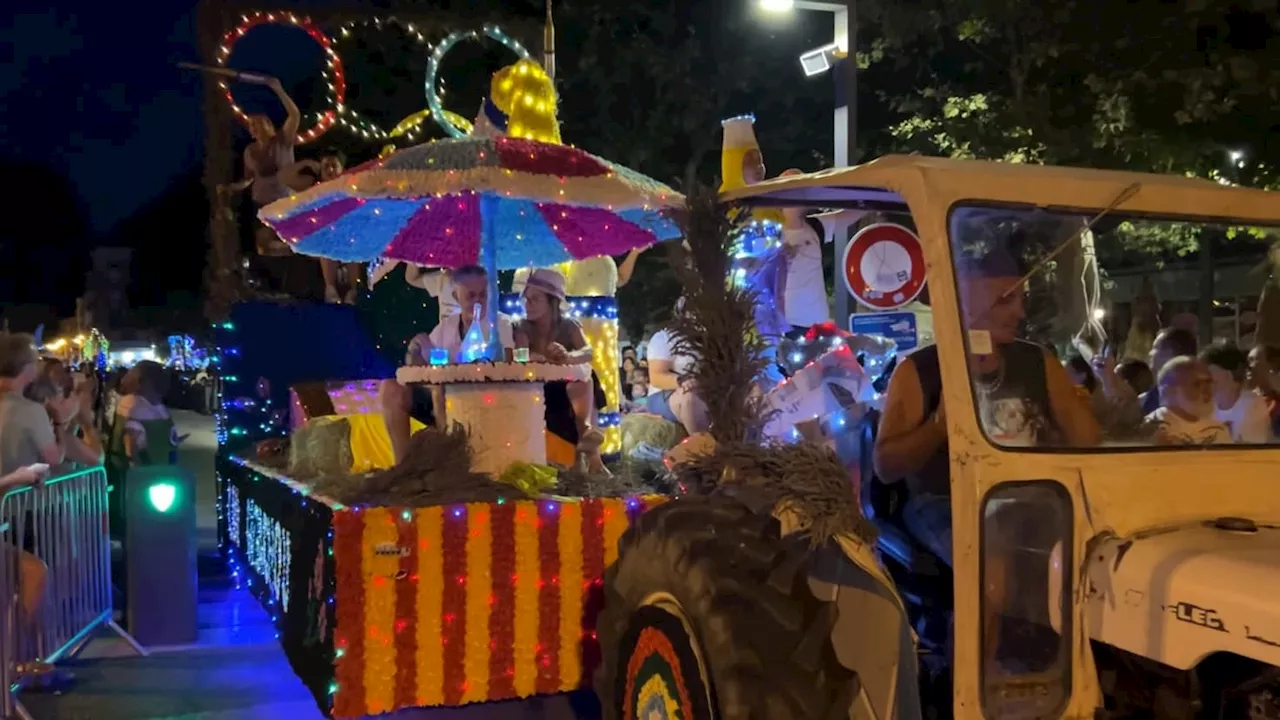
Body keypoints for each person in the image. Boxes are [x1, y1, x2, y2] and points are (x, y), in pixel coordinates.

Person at [873, 252, 1099, 567]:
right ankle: (974, 618)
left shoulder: (1040, 363)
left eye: (1023, 299)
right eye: (1006, 299)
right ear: (967, 302)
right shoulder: (919, 370)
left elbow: (1087, 442)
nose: (1020, 312)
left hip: (1032, 496)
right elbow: (885, 467)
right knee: (990, 560)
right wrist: (937, 428)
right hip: (945, 501)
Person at [378, 266, 515, 464]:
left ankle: (448, 464)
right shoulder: (446, 327)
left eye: (482, 295)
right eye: (471, 295)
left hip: (482, 400)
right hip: (442, 399)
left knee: (439, 388)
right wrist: (414, 350)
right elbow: (418, 368)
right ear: (455, 296)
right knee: (391, 388)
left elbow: (506, 367)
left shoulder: (500, 324)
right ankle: (403, 465)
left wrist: (440, 366)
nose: (478, 301)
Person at [513, 268, 606, 470]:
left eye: (535, 299)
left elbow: (588, 351)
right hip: (542, 385)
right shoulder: (522, 327)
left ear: (552, 302)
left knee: (585, 377)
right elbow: (521, 355)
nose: (528, 304)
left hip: (570, 382)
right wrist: (544, 358)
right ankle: (589, 443)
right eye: (526, 299)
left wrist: (567, 357)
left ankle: (587, 438)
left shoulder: (569, 325)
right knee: (583, 380)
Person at [0, 335, 80, 474]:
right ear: (27, 367)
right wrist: (59, 424)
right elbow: (55, 458)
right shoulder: (31, 411)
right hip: (21, 493)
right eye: (35, 362)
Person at [644, 298, 711, 435]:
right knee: (689, 399)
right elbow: (657, 376)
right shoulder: (664, 338)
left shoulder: (710, 339)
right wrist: (682, 381)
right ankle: (701, 445)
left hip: (705, 389)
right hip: (666, 393)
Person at [1142, 357, 1230, 445]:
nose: (1207, 391)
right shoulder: (1153, 428)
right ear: (1170, 391)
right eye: (1197, 384)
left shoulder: (1218, 431)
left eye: (1208, 382)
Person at [1201, 343, 1273, 443]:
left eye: (1210, 369)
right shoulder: (1203, 406)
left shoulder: (1253, 405)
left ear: (1228, 374)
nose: (1204, 375)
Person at [1141, 328, 1198, 415]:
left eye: (1155, 348)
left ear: (1169, 353)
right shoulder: (1148, 398)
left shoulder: (1196, 396)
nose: (1150, 353)